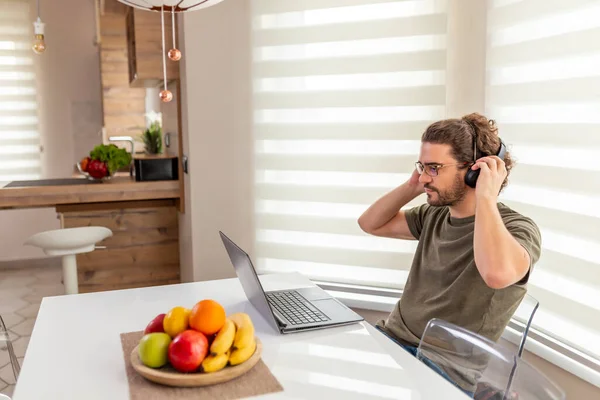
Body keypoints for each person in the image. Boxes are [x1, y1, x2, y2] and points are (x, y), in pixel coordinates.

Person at [357, 113, 541, 394]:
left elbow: (496, 274)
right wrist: (413, 185)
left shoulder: (518, 228)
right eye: (422, 166)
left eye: (434, 167)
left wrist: (485, 197)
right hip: (389, 341)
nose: (423, 176)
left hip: (440, 371)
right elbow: (370, 223)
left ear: (474, 171)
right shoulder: (434, 214)